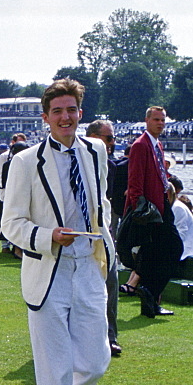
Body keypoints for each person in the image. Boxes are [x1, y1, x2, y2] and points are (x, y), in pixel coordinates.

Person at [1, 79, 114, 385]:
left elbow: (101, 205)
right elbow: (10, 223)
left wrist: (106, 253)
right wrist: (49, 237)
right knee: (54, 371)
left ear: (80, 112)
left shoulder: (96, 151)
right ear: (46, 117)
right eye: (57, 112)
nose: (65, 118)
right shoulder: (25, 161)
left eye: (72, 110)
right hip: (48, 272)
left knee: (97, 363)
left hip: (89, 268)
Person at [125, 106, 182, 318]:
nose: (160, 123)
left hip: (161, 205)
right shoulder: (140, 145)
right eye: (156, 120)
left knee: (156, 254)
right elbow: (135, 180)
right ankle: (151, 293)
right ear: (147, 120)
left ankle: (150, 299)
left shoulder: (157, 144)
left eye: (163, 120)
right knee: (174, 248)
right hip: (151, 210)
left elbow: (158, 172)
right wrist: (139, 209)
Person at [85, 120, 122, 357]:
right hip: (79, 235)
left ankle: (110, 336)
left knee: (111, 280)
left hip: (103, 231)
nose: (112, 144)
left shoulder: (108, 165)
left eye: (112, 139)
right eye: (108, 139)